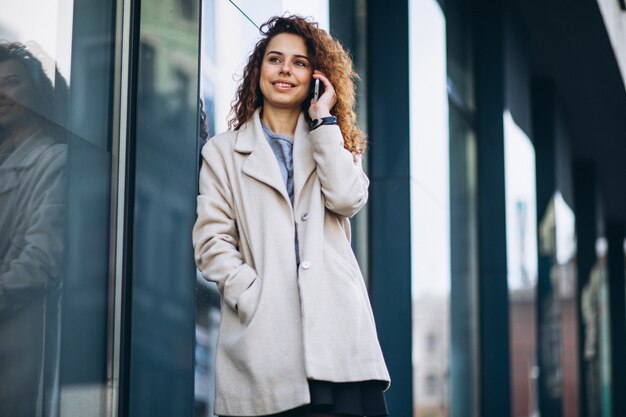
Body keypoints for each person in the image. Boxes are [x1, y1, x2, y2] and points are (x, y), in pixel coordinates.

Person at [192, 15, 390, 417]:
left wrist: (324, 122)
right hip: (266, 343)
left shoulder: (334, 143)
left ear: (317, 78)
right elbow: (211, 242)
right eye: (275, 59)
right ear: (258, 70)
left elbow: (349, 198)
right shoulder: (222, 152)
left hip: (338, 344)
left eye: (299, 63)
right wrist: (252, 295)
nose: (285, 70)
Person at [0, 41, 67, 417]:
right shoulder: (4, 161)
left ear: (36, 92)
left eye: (11, 81)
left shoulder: (54, 159)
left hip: (18, 343)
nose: (0, 92)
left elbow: (41, 260)